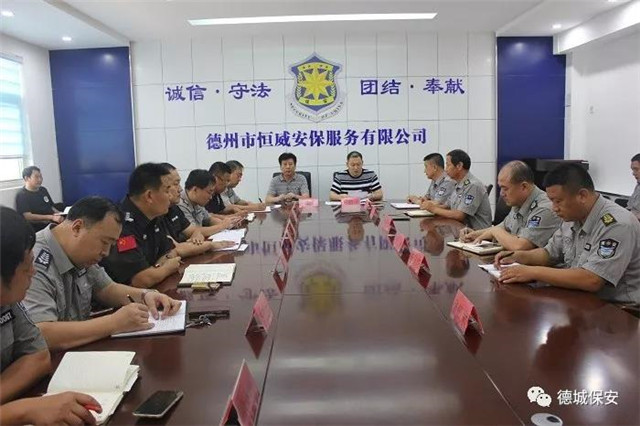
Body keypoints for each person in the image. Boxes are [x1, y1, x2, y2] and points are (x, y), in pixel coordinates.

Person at [23, 196, 182, 351]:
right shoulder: (32, 260)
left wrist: (145, 295)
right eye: (104, 242)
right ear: (77, 228)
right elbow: (41, 333)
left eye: (111, 245)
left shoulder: (80, 253)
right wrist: (114, 323)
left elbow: (107, 288)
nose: (106, 253)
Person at [1, 207, 101, 426]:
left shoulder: (9, 300)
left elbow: (38, 357)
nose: (34, 272)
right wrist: (21, 411)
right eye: (26, 267)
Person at [495, 164, 640, 305]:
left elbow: (592, 280)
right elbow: (549, 254)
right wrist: (519, 257)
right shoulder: (572, 217)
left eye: (558, 201)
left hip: (618, 309)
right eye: (552, 201)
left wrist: (532, 272)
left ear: (582, 195)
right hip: (579, 298)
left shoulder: (617, 224)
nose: (554, 208)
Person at [101, 163, 181, 287]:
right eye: (166, 191)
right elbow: (141, 280)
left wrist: (156, 270)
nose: (170, 196)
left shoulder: (155, 216)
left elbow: (170, 252)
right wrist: (167, 268)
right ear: (149, 196)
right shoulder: (121, 224)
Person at [460, 161, 561, 250]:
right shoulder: (519, 202)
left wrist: (495, 231)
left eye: (505, 188)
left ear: (524, 186)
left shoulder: (544, 208)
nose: (501, 194)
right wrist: (474, 234)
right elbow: (503, 227)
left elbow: (520, 246)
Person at [159, 163, 234, 257]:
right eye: (176, 184)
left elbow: (195, 230)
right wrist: (211, 243)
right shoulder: (177, 205)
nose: (180, 189)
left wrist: (197, 234)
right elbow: (176, 249)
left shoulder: (173, 208)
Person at [421, 149, 492, 230]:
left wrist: (434, 209)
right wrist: (429, 205)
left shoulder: (473, 185)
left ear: (459, 166)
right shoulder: (458, 183)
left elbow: (459, 215)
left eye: (448, 165)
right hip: (460, 230)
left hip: (476, 233)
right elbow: (447, 206)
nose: (445, 169)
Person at [178, 169, 242, 236]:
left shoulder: (197, 202)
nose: (211, 197)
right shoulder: (180, 204)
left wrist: (229, 224)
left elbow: (209, 219)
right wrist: (222, 226)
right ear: (195, 190)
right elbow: (193, 231)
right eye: (209, 192)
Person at [15, 166, 63, 232]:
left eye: (40, 177)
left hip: (52, 220)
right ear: (27, 178)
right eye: (36, 177)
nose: (40, 180)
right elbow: (28, 216)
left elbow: (51, 206)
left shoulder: (43, 190)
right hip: (38, 226)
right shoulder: (22, 195)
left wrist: (60, 214)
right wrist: (51, 217)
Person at [628, 153, 640, 220]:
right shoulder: (638, 186)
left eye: (636, 169)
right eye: (633, 170)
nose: (633, 173)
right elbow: (630, 207)